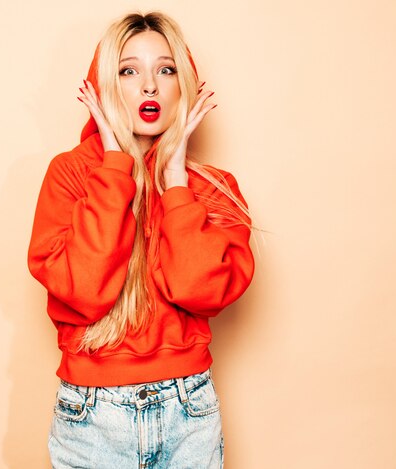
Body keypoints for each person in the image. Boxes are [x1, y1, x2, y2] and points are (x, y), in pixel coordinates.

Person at [28, 11, 255, 468]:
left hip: (188, 412)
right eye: (128, 70)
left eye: (165, 69)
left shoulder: (212, 186)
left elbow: (199, 291)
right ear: (104, 85)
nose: (149, 86)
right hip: (90, 418)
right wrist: (115, 167)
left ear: (183, 85)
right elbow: (85, 291)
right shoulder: (71, 175)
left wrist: (175, 182)